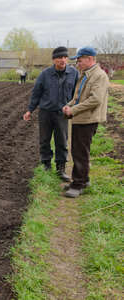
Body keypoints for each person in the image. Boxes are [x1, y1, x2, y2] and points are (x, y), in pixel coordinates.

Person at [23, 46, 79, 181]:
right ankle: (46, 165)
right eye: (59, 57)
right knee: (44, 140)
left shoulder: (73, 73)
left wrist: (73, 107)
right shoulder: (45, 74)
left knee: (62, 141)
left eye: (65, 57)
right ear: (54, 60)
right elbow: (36, 93)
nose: (63, 60)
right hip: (46, 112)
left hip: (62, 113)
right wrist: (30, 110)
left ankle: (61, 169)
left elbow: (76, 94)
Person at [62, 46, 109, 198]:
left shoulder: (99, 76)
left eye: (80, 60)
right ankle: (84, 179)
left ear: (90, 59)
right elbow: (78, 97)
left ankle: (78, 184)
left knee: (80, 152)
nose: (78, 63)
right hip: (80, 118)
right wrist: (69, 105)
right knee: (78, 150)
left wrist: (74, 110)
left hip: (88, 119)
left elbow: (95, 99)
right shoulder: (85, 75)